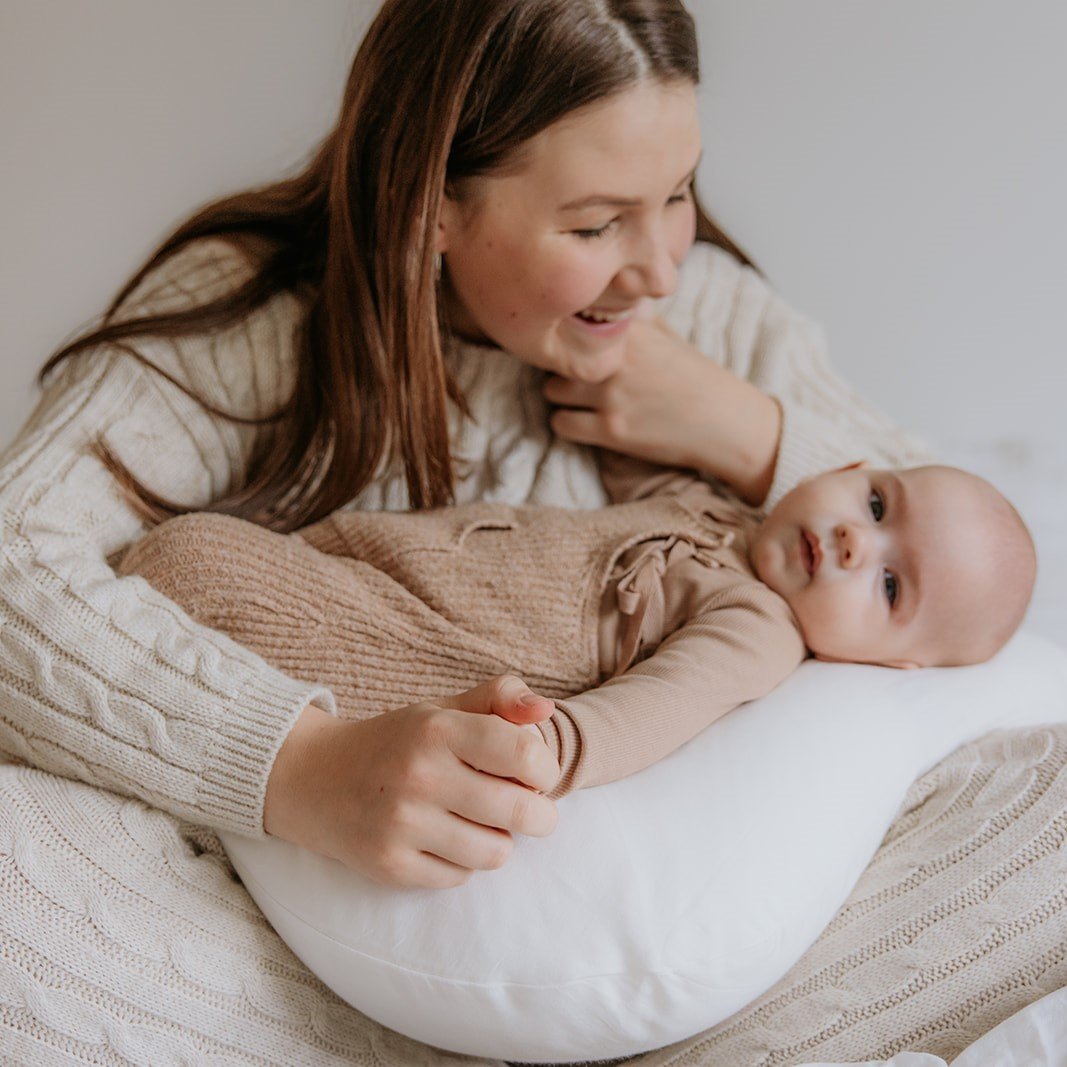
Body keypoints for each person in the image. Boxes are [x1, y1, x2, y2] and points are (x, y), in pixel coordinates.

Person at [0, 0, 940, 1060]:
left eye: (675, 194)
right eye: (594, 225)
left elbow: (967, 564)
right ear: (429, 203)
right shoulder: (255, 318)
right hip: (293, 940)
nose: (659, 270)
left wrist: (750, 429)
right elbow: (12, 564)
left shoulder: (707, 322)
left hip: (649, 958)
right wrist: (299, 767)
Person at [119, 456, 1035, 806]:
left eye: (885, 581)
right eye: (875, 502)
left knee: (187, 563)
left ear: (892, 660)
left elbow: (666, 705)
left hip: (416, 638)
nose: (849, 537)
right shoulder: (721, 506)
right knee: (217, 554)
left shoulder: (757, 627)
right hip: (393, 555)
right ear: (847, 465)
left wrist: (562, 744)